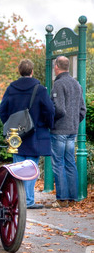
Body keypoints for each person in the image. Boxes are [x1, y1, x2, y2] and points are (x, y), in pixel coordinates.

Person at [0, 59, 55, 209]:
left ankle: (19, 200)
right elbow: (49, 110)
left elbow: (2, 111)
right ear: (32, 72)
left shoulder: (11, 88)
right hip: (35, 134)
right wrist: (47, 124)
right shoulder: (40, 89)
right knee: (31, 168)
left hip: (16, 135)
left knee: (18, 167)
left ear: (19, 71)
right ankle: (28, 200)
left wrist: (12, 125)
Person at [50, 55, 86, 207]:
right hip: (72, 130)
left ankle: (62, 199)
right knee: (70, 162)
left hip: (59, 130)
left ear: (57, 67)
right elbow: (82, 110)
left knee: (58, 163)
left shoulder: (58, 84)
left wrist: (52, 122)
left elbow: (58, 109)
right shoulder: (77, 84)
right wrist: (73, 123)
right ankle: (72, 199)